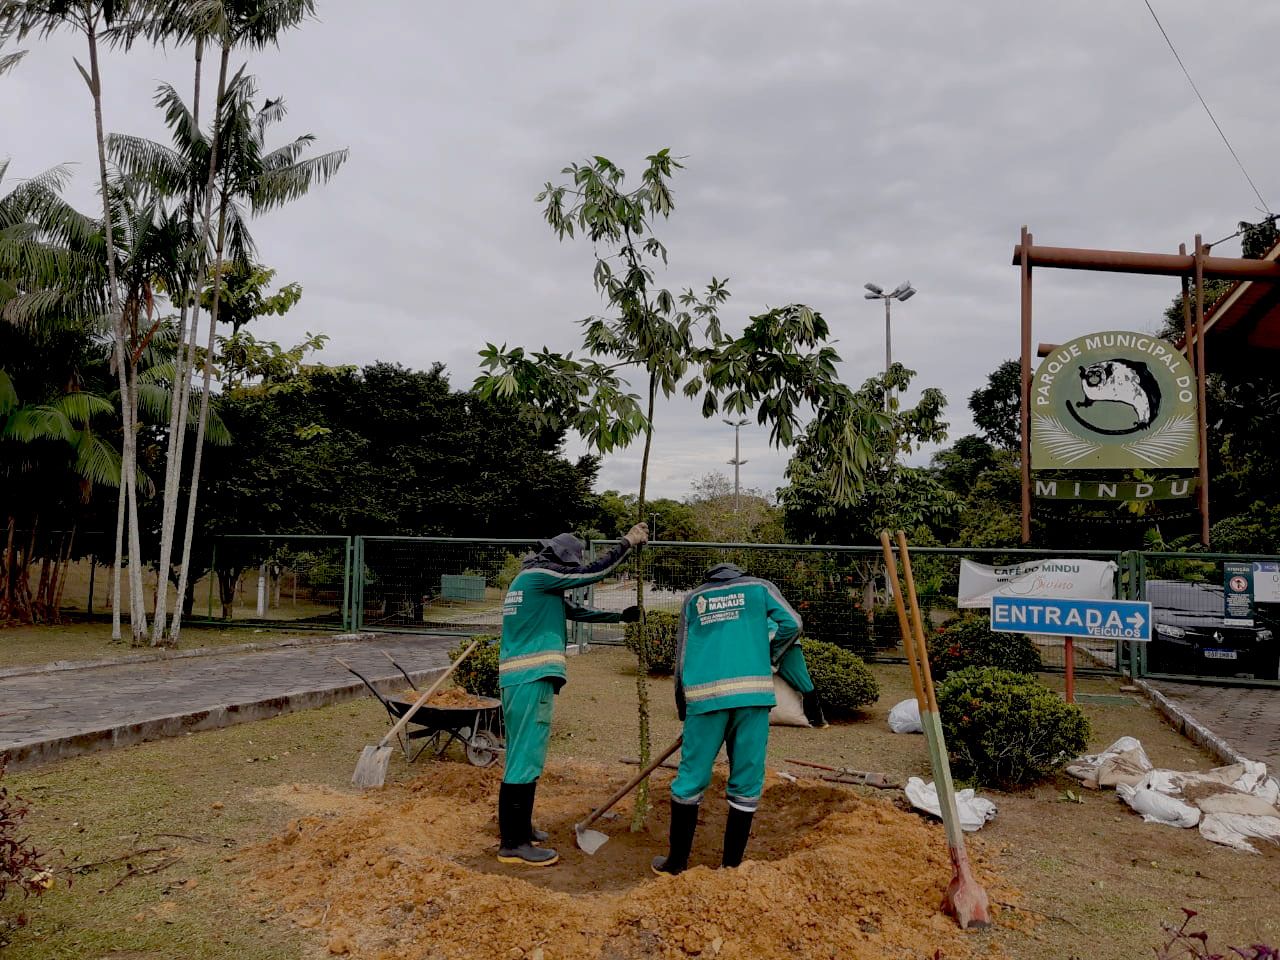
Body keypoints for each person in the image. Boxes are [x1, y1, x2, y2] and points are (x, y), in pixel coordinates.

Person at [496, 523, 649, 867]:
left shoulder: (531, 583)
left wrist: (619, 617)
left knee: (522, 756)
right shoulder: (538, 576)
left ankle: (521, 830)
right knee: (525, 758)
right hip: (530, 677)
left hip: (520, 678)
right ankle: (513, 843)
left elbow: (575, 612)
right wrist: (627, 542)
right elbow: (592, 572)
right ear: (560, 559)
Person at [653, 562, 802, 876]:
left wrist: (684, 707)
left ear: (709, 579)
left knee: (690, 781)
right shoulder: (759, 588)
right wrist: (768, 657)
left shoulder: (695, 599)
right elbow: (792, 623)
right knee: (747, 783)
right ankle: (731, 867)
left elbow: (682, 656)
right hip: (754, 698)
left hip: (706, 701)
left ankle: (675, 864)